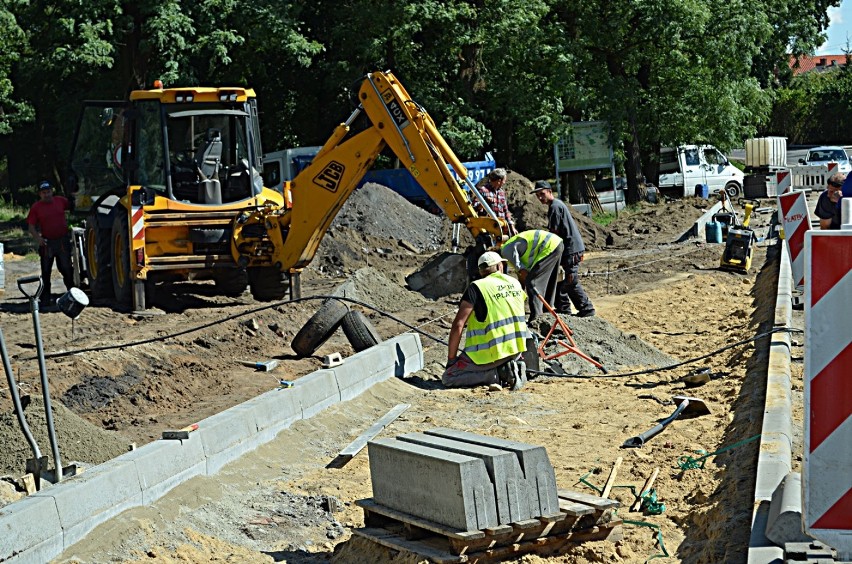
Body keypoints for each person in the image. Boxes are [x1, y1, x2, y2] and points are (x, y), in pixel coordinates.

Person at [442, 251, 529, 391]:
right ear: (500, 266)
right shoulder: (515, 283)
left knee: (449, 377)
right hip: (516, 349)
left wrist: (451, 360)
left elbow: (458, 325)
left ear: (481, 271)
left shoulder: (476, 287)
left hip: (489, 354)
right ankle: (513, 365)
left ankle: (497, 375)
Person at [531, 180, 595, 317]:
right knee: (561, 280)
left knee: (571, 281)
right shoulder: (556, 205)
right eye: (538, 196)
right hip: (570, 248)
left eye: (542, 194)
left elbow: (554, 234)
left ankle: (587, 309)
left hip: (571, 250)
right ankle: (564, 308)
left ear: (549, 191)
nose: (540, 198)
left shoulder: (555, 207)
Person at [26, 180, 75, 306]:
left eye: (48, 192)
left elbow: (74, 206)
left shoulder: (61, 201)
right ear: (40, 194)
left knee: (66, 269)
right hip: (47, 243)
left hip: (62, 241)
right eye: (44, 193)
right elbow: (31, 226)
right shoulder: (36, 207)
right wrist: (38, 239)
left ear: (51, 191)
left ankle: (73, 295)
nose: (46, 194)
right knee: (46, 271)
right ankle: (46, 298)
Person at [500, 229, 563, 322]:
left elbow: (523, 272)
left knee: (533, 283)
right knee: (548, 281)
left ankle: (536, 318)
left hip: (548, 246)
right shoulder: (511, 252)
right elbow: (521, 275)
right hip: (556, 243)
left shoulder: (505, 251)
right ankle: (547, 313)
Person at [474, 168, 516, 236]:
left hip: (501, 229)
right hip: (488, 230)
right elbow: (475, 208)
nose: (504, 182)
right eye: (504, 180)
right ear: (499, 181)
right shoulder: (483, 191)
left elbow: (506, 211)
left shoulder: (501, 193)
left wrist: (512, 227)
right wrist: (485, 202)